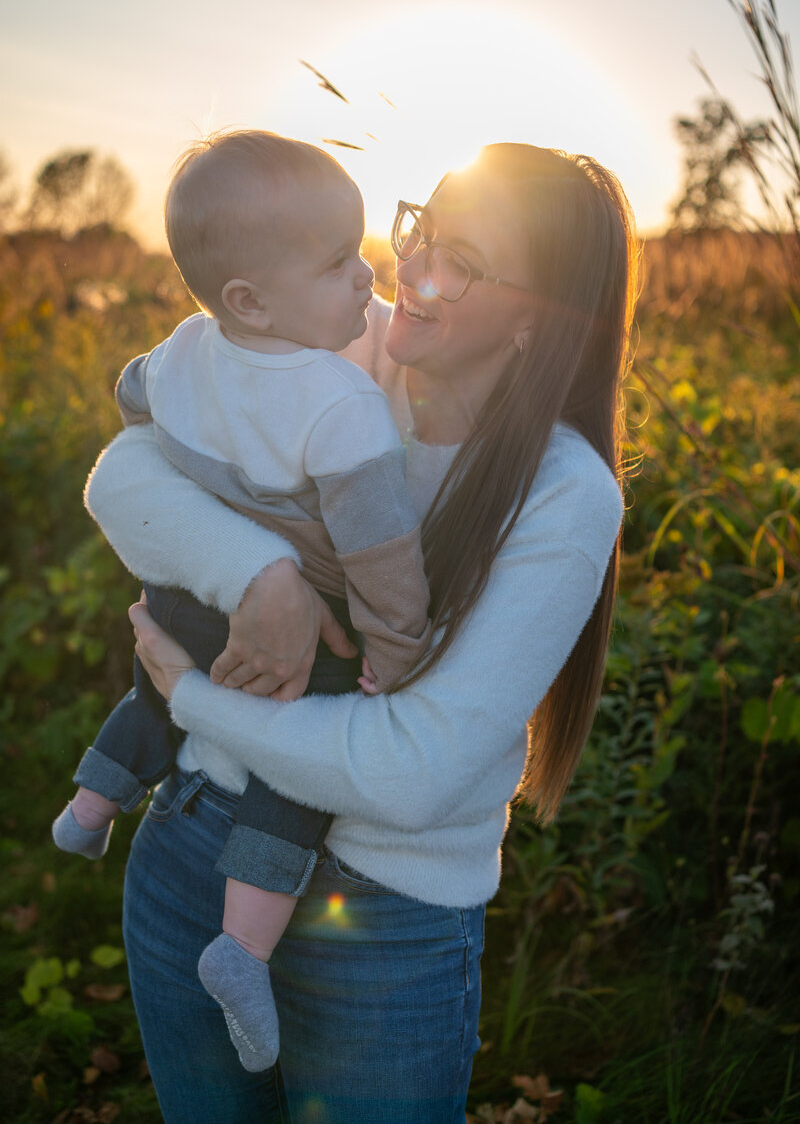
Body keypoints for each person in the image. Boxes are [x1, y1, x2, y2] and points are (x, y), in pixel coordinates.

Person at [84, 142, 637, 1124]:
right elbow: (124, 474)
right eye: (420, 225)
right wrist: (260, 577)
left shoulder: (561, 493)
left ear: (538, 317)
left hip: (381, 922)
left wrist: (193, 696)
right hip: (190, 847)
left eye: (462, 260)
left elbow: (412, 773)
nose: (411, 269)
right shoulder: (331, 338)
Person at [52, 130, 431, 1074]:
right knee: (293, 774)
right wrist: (396, 643)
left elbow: (129, 395)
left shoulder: (183, 347)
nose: (368, 279)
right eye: (340, 263)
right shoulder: (341, 402)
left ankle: (91, 805)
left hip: (186, 595)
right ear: (251, 300)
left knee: (156, 682)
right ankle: (244, 946)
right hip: (305, 639)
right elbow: (379, 548)